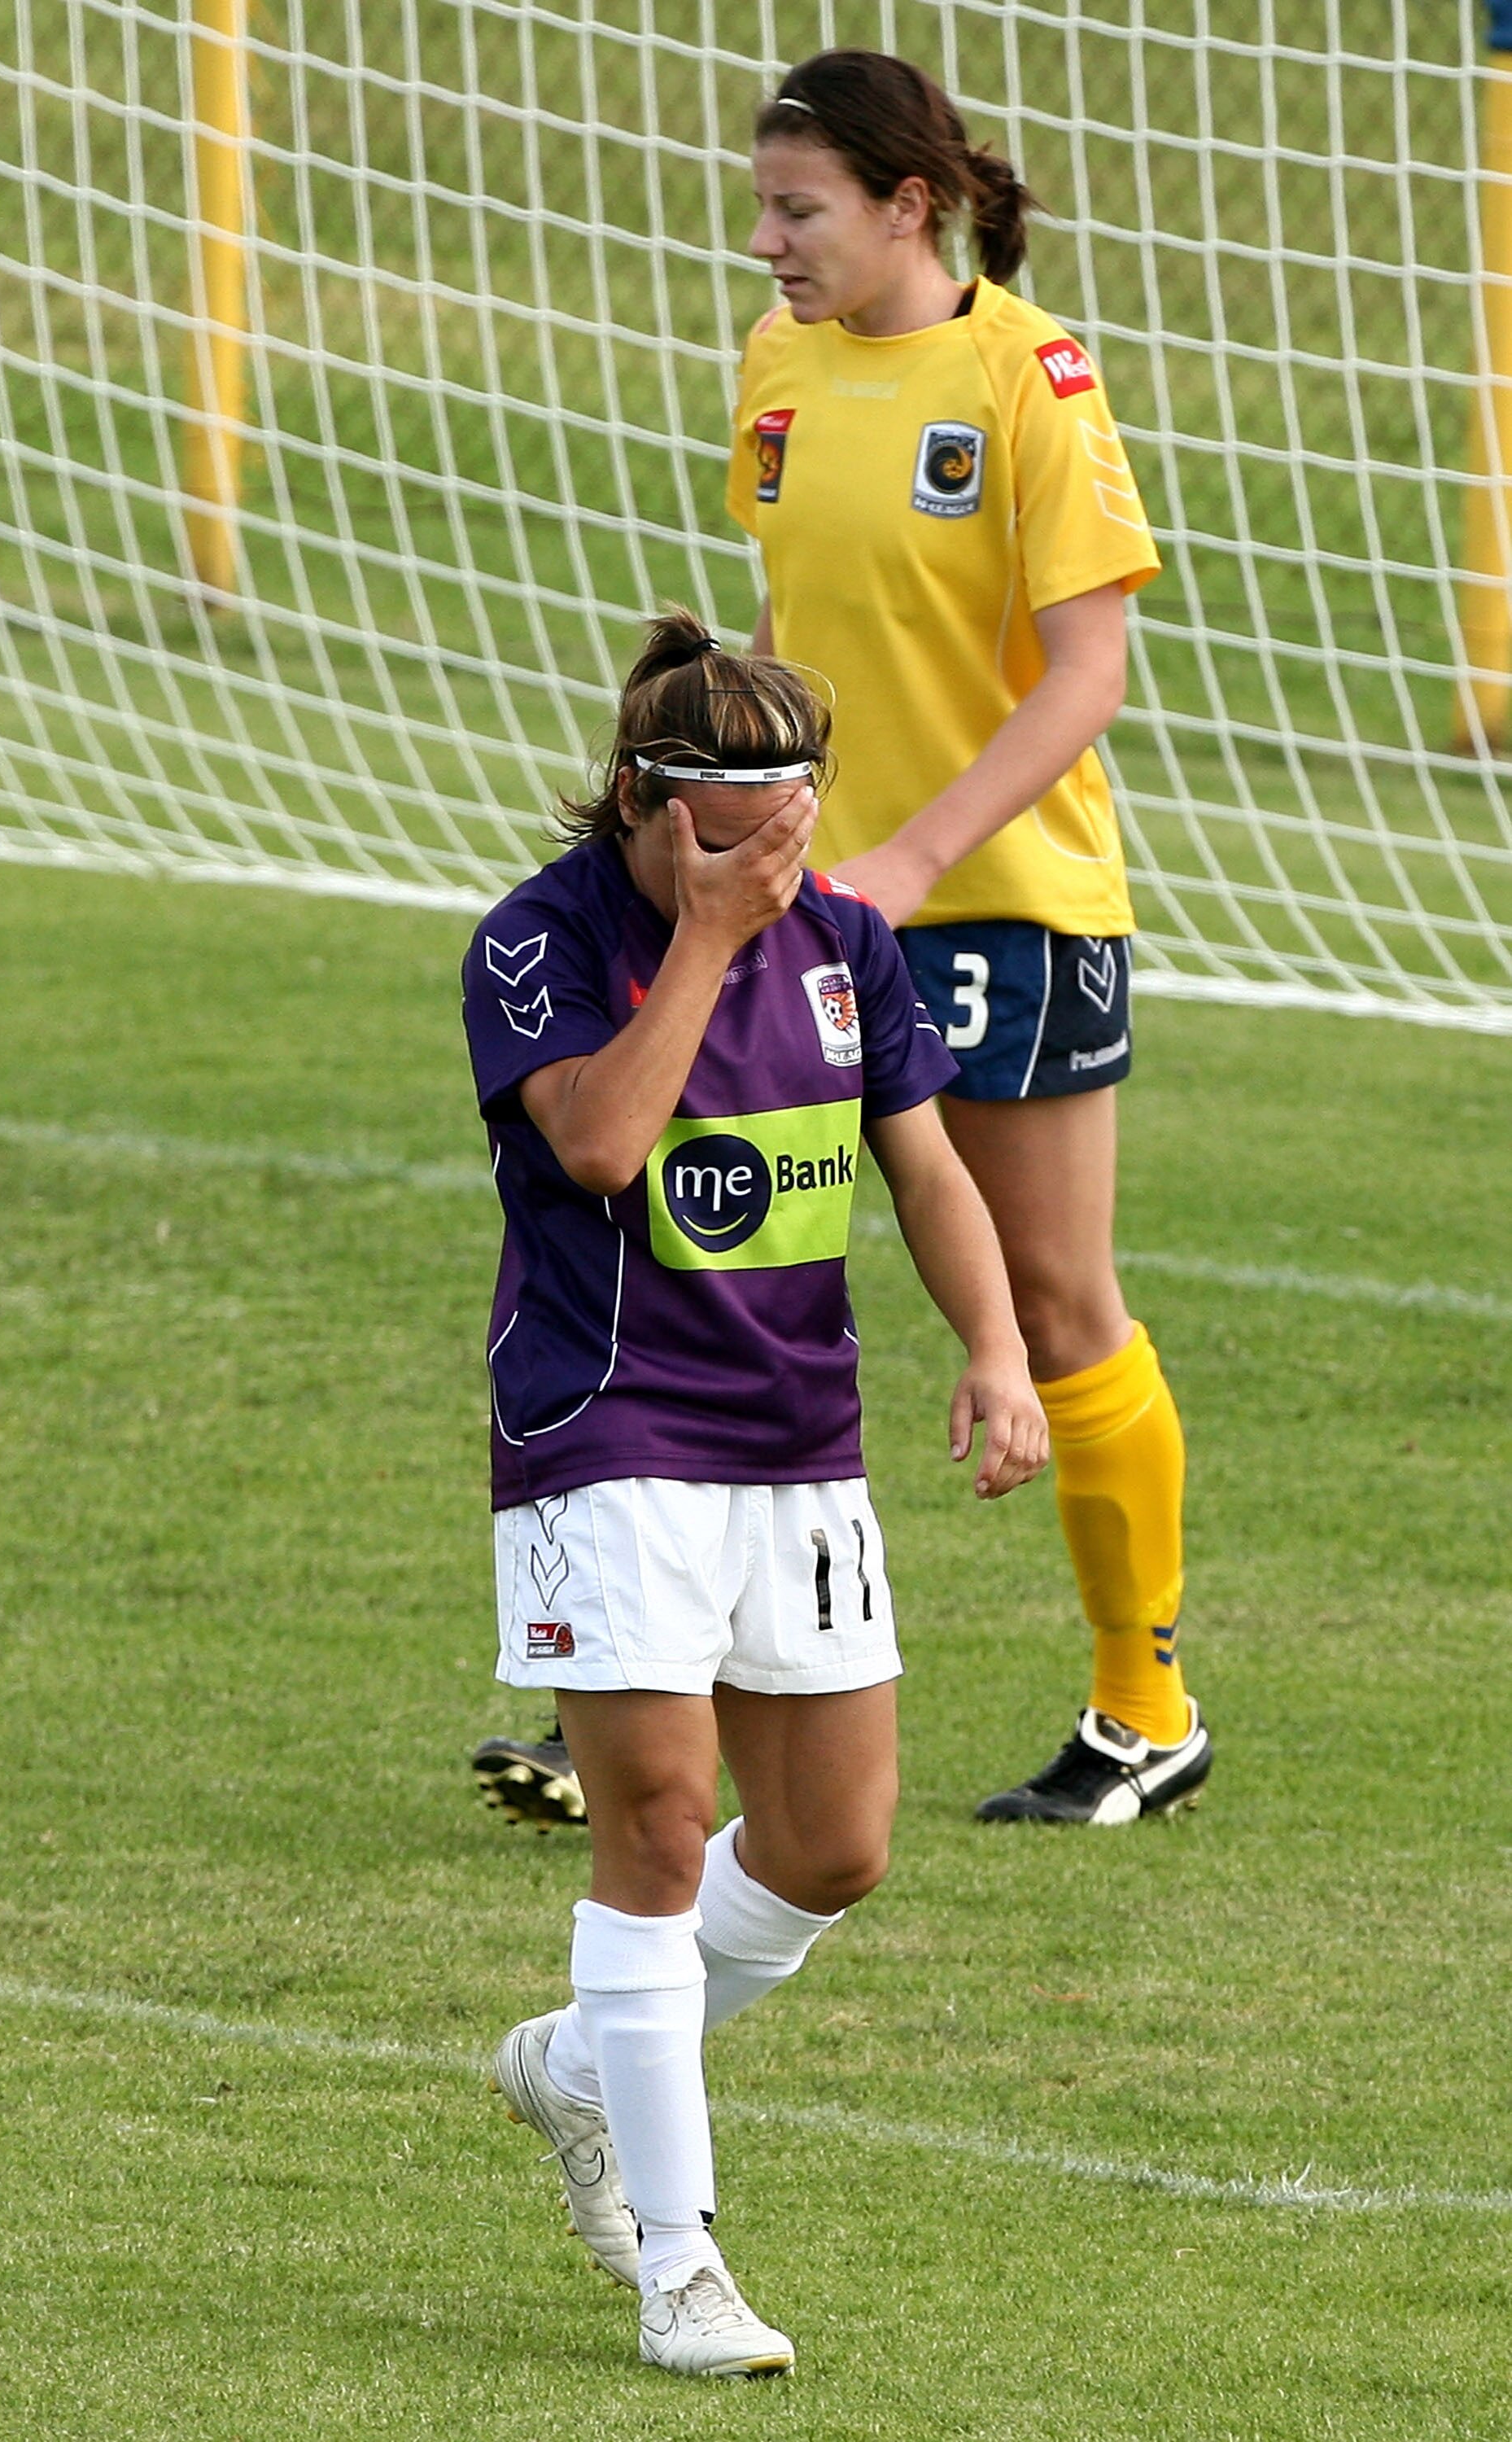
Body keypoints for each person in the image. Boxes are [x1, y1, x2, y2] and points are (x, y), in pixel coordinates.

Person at [467, 611, 1047, 2378]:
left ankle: (578, 2062)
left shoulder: (847, 946)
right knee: (651, 1826)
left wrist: (997, 1352)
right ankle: (679, 2264)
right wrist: (710, 941)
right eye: (736, 824)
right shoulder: (535, 942)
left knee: (834, 1850)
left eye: (795, 815)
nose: (772, 854)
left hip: (800, 1444)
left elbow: (924, 1162)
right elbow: (598, 1146)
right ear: (646, 799)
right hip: (604, 1429)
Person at [722, 47, 1213, 1825]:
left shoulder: (1032, 380)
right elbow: (792, 623)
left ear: (907, 204)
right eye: (761, 206)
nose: (766, 241)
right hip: (803, 901)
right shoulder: (776, 366)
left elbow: (1089, 674)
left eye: (800, 210)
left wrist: (916, 857)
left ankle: (1139, 1711)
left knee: (1053, 1300)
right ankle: (651, 1687)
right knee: (734, 1268)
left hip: (1001, 907)